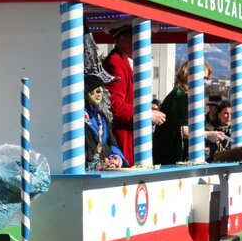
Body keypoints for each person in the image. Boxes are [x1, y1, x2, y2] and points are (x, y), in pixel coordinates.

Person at [102, 22, 166, 166]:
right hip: (123, 138)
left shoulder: (126, 61)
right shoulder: (116, 62)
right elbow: (114, 105)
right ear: (122, 39)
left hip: (132, 137)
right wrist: (147, 114)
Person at [153, 61, 224, 165]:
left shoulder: (185, 96)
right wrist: (208, 134)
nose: (205, 82)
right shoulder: (179, 96)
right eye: (203, 78)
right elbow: (182, 130)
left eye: (206, 78)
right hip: (173, 159)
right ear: (189, 75)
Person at [84, 74, 127, 171]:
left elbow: (112, 143)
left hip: (105, 172)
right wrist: (98, 164)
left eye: (101, 87)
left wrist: (115, 158)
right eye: (94, 86)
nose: (100, 91)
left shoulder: (102, 117)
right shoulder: (77, 119)